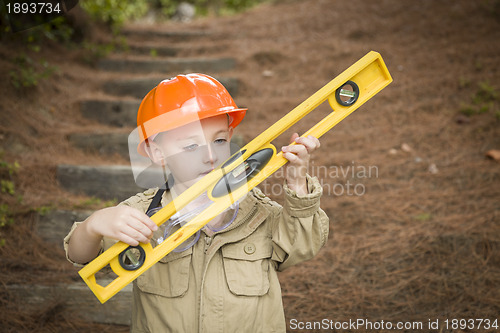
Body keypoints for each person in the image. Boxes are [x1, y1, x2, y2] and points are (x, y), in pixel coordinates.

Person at [64, 73, 329, 332]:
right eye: (191, 146)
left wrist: (297, 182)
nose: (211, 156)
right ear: (158, 152)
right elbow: (80, 255)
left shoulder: (256, 212)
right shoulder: (142, 216)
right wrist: (92, 226)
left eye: (220, 140)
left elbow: (302, 245)